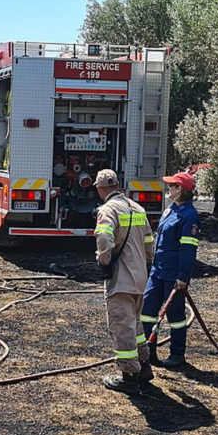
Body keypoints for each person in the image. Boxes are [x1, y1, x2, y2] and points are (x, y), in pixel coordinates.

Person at [94, 169, 155, 395]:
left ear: (100, 189)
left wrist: (104, 260)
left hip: (121, 279)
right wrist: (145, 262)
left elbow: (103, 236)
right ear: (118, 186)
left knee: (121, 326)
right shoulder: (138, 207)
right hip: (140, 278)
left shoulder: (108, 210)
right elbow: (149, 241)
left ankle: (129, 377)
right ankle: (144, 366)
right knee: (135, 323)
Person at [140, 171, 201, 368]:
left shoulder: (189, 216)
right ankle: (148, 351)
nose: (169, 188)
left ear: (180, 190)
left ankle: (177, 354)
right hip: (157, 272)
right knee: (147, 311)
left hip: (173, 274)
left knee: (175, 316)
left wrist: (183, 276)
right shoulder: (170, 210)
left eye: (172, 185)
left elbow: (188, 249)